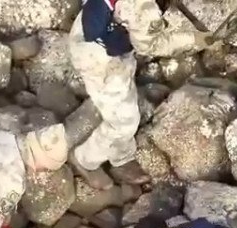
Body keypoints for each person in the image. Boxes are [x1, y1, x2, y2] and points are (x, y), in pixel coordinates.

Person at [69, 0, 215, 190]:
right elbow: (150, 45)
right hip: (98, 57)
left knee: (126, 98)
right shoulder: (142, 6)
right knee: (123, 123)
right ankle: (85, 159)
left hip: (94, 31)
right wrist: (194, 40)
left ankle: (120, 157)